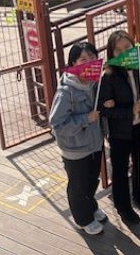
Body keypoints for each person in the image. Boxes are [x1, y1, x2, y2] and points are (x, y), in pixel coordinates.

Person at [49, 42, 106, 235]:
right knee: (78, 185)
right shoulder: (66, 91)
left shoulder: (95, 83)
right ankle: (83, 219)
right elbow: (57, 124)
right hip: (75, 148)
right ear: (73, 63)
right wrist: (85, 119)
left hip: (94, 143)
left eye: (92, 57)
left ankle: (91, 207)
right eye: (83, 59)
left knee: (91, 180)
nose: (89, 62)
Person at [99, 31, 140, 225]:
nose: (123, 52)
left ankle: (138, 195)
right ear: (111, 52)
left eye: (127, 47)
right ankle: (123, 207)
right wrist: (130, 110)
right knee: (120, 170)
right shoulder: (109, 75)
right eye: (118, 49)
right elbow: (104, 110)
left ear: (134, 46)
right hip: (119, 132)